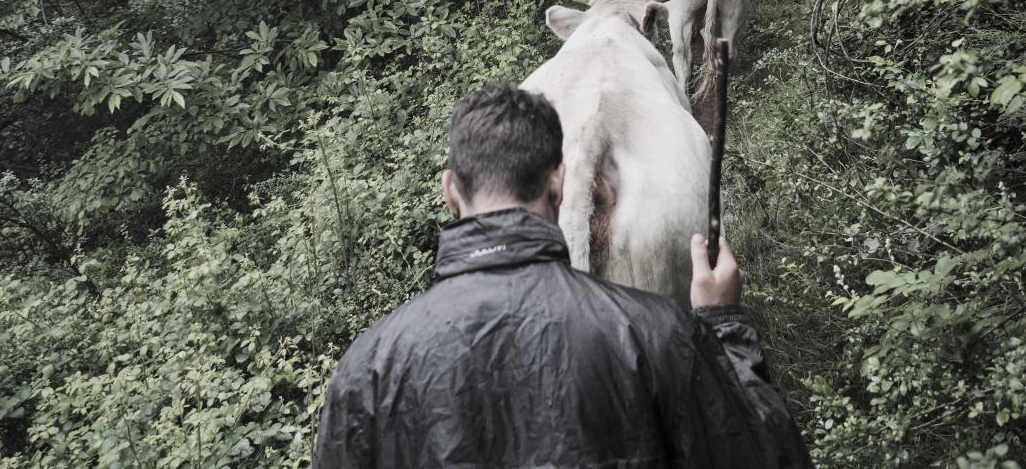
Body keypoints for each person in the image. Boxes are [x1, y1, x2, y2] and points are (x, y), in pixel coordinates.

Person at [313, 83, 813, 468]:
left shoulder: (369, 366)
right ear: (558, 183)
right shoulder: (657, 332)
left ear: (450, 191)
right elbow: (762, 452)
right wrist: (722, 322)